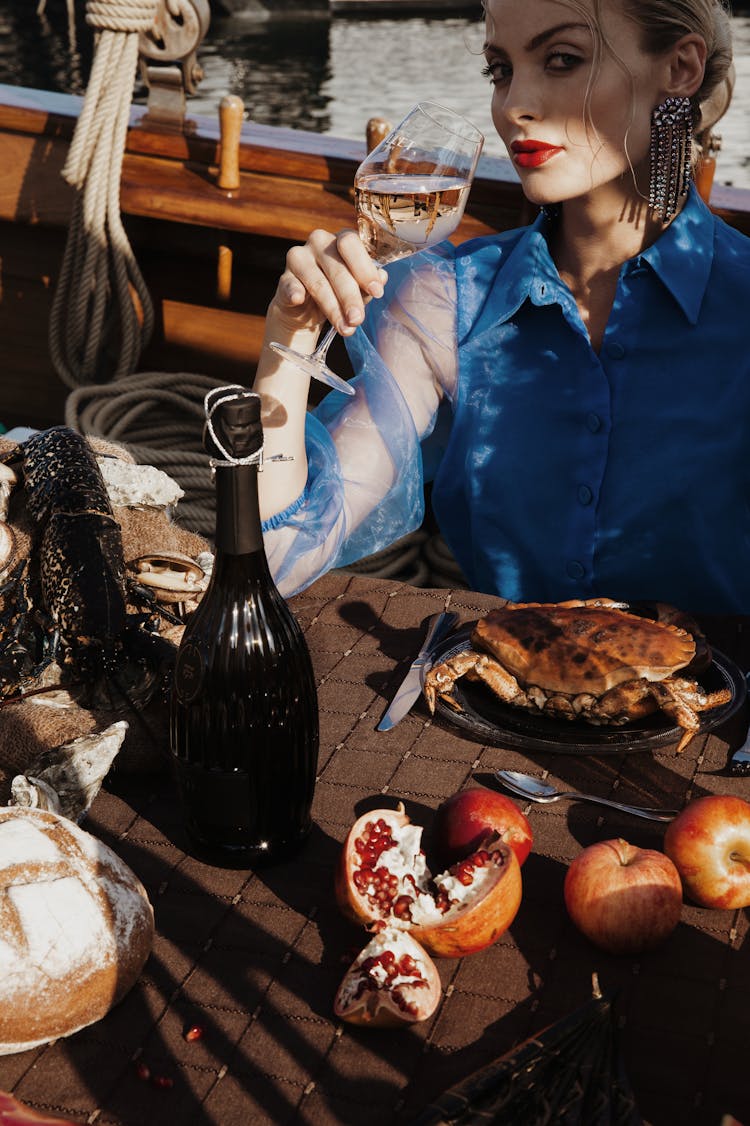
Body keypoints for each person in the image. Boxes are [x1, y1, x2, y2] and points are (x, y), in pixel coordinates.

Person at [252, 0, 749, 617]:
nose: (514, 105)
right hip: (487, 701)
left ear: (680, 68)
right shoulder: (444, 302)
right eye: (500, 70)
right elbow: (276, 557)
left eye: (562, 59)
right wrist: (292, 338)